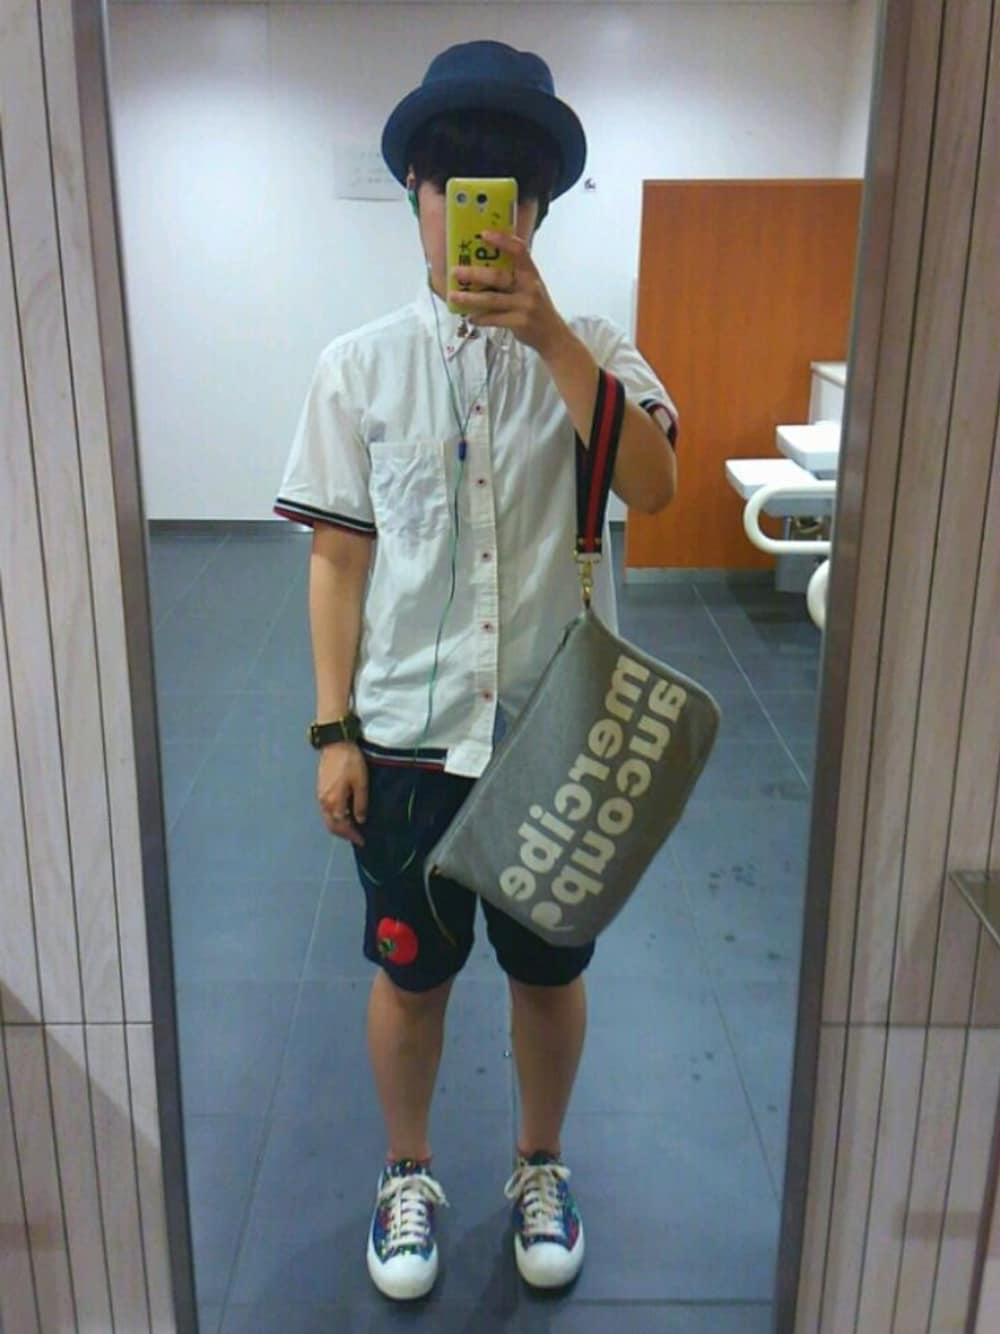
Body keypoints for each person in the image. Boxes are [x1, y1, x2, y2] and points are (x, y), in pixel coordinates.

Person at [274, 39, 678, 1304]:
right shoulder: (358, 367)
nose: (477, 217)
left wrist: (552, 338)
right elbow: (339, 560)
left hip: (555, 727)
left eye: (506, 193)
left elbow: (655, 487)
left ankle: (540, 1161)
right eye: (453, 189)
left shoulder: (595, 349)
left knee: (551, 972)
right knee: (411, 969)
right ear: (416, 197)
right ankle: (407, 1171)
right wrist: (332, 728)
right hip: (405, 732)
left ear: (540, 209)